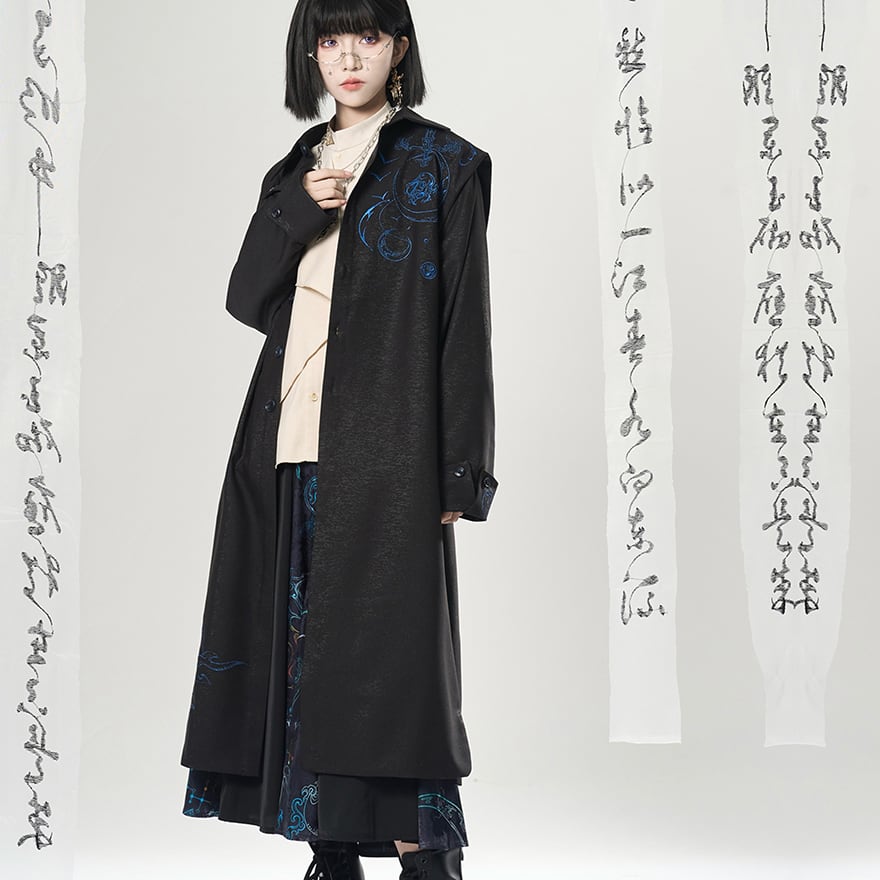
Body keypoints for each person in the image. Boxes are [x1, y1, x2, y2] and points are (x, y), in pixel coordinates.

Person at [179, 0, 497, 878]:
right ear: (310, 53)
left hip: (393, 450)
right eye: (329, 39)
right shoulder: (294, 168)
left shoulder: (444, 163)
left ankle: (425, 857)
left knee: (391, 665)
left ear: (399, 48)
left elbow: (464, 324)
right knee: (298, 655)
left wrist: (460, 472)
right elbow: (247, 299)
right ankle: (330, 850)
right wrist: (294, 213)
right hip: (286, 442)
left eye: (367, 37)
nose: (347, 56)